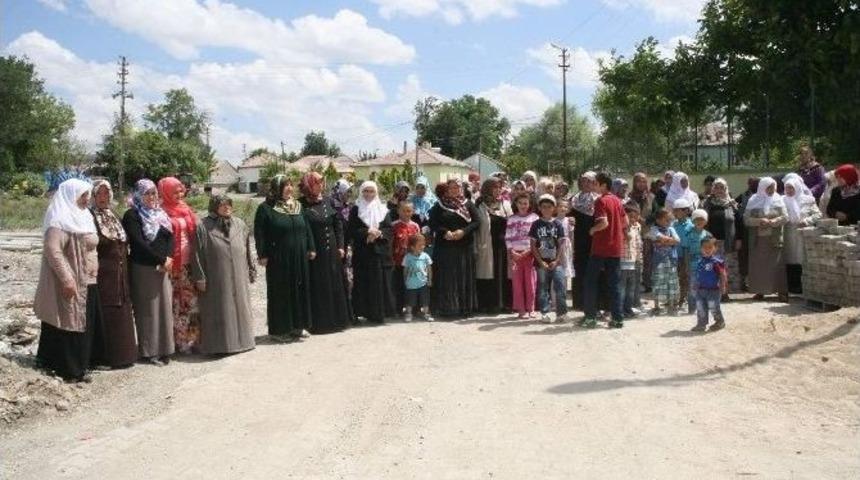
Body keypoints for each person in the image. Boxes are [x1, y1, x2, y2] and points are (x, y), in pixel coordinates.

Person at [34, 179, 100, 382]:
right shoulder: (60, 218)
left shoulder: (84, 216)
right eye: (83, 195)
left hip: (88, 278)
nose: (86, 199)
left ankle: (82, 364)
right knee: (70, 321)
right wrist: (67, 279)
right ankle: (70, 370)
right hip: (71, 279)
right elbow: (53, 251)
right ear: (71, 195)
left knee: (83, 320)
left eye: (88, 195)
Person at [192, 195, 256, 354]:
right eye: (222, 205)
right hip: (216, 276)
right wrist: (200, 277)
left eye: (229, 204)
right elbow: (197, 254)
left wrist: (251, 267)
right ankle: (220, 347)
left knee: (241, 306)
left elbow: (247, 247)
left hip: (239, 274)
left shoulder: (240, 224)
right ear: (214, 206)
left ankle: (244, 342)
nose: (227, 207)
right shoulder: (203, 226)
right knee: (219, 308)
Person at [255, 176, 315, 340]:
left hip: (299, 256)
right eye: (285, 185)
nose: (289, 188)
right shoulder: (266, 208)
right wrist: (262, 254)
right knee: (282, 292)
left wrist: (311, 247)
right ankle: (280, 330)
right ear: (276, 188)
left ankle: (298, 326)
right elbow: (260, 233)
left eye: (290, 185)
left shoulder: (298, 206)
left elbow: (306, 227)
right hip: (278, 258)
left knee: (300, 290)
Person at [123, 179, 175, 365]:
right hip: (143, 268)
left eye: (154, 193)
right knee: (148, 311)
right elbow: (138, 243)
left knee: (164, 308)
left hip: (163, 269)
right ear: (138, 194)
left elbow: (170, 237)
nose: (151, 197)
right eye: (147, 193)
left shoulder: (160, 213)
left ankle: (165, 348)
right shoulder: (132, 215)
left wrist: (168, 258)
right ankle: (149, 351)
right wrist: (161, 260)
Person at [89, 180, 137, 369]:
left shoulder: (114, 215)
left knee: (122, 311)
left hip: (121, 271)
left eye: (106, 194)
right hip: (103, 273)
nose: (103, 198)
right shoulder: (90, 216)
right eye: (99, 194)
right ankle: (105, 358)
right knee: (106, 311)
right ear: (93, 196)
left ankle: (125, 356)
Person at [300, 172, 354, 332]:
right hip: (314, 252)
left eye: (322, 182)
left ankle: (338, 321)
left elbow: (338, 224)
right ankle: (319, 324)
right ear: (309, 184)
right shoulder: (301, 205)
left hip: (332, 252)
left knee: (334, 284)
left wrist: (341, 246)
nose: (321, 185)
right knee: (318, 285)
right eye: (317, 182)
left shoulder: (328, 201)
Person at [157, 177, 199, 354]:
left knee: (191, 302)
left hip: (189, 264)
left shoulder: (185, 209)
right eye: (174, 192)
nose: (179, 195)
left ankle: (193, 340)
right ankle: (178, 341)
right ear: (165, 192)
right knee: (176, 303)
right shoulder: (160, 212)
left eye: (181, 191)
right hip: (173, 267)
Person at [428, 180, 480, 318]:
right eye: (451, 187)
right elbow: (432, 223)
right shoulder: (439, 205)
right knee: (447, 278)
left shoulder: (467, 203)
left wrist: (463, 232)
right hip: (445, 248)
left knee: (463, 277)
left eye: (457, 187)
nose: (454, 190)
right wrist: (445, 232)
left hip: (464, 247)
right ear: (447, 189)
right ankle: (447, 309)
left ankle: (464, 308)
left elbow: (476, 222)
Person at [582, 173, 627, 329]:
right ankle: (618, 319)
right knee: (614, 284)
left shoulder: (600, 200)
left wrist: (592, 230)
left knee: (590, 282)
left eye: (596, 183)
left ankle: (590, 318)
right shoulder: (617, 200)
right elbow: (625, 221)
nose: (593, 186)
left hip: (601, 248)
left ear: (603, 185)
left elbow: (604, 223)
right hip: (615, 248)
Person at [348, 181, 396, 324]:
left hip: (380, 252)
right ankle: (362, 312)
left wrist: (379, 233)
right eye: (366, 191)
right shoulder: (356, 209)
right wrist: (367, 232)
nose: (368, 194)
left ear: (376, 193)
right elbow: (351, 229)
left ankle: (378, 314)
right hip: (364, 253)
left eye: (371, 191)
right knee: (363, 282)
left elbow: (389, 229)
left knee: (380, 284)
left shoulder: (383, 209)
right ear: (361, 192)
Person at [743, 177, 789, 302]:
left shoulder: (778, 199)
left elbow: (785, 217)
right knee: (759, 267)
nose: (772, 190)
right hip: (758, 240)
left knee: (777, 266)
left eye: (773, 187)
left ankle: (781, 291)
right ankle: (760, 291)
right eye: (769, 187)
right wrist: (759, 221)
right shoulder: (753, 200)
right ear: (762, 187)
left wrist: (773, 221)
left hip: (774, 239)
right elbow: (746, 219)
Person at [475, 178, 513, 314]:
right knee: (488, 275)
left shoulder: (506, 204)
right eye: (494, 187)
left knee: (504, 274)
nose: (498, 190)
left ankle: (504, 304)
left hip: (503, 246)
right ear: (487, 188)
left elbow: (512, 223)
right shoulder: (480, 205)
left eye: (499, 187)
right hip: (487, 245)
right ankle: (489, 305)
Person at [530, 195, 567, 324]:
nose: (546, 209)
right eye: (544, 207)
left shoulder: (558, 224)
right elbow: (533, 245)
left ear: (554, 208)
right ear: (539, 208)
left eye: (549, 207)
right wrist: (540, 261)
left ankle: (561, 312)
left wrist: (557, 260)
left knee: (560, 286)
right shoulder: (535, 225)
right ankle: (545, 312)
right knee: (542, 288)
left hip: (556, 262)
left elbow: (561, 244)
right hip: (541, 262)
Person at [783, 177, 822, 294]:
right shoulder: (782, 200)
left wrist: (807, 221)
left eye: (791, 188)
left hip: (802, 233)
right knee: (789, 258)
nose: (789, 190)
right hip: (787, 233)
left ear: (797, 187)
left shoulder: (808, 200)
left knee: (801, 258)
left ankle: (801, 286)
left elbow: (818, 214)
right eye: (787, 188)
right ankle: (790, 286)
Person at [702, 178, 738, 299]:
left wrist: (739, 239)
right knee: (712, 267)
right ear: (713, 189)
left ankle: (725, 293)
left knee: (726, 268)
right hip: (711, 242)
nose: (719, 190)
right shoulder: (706, 203)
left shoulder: (732, 204)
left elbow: (738, 222)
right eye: (716, 187)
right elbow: (700, 221)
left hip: (727, 241)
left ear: (726, 189)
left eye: (721, 187)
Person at [505, 192, 539, 319]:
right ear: (516, 204)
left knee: (531, 283)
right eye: (520, 203)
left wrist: (529, 250)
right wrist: (511, 251)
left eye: (525, 203)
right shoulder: (511, 219)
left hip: (530, 254)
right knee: (517, 284)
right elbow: (507, 237)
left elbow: (536, 238)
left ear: (529, 204)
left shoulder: (534, 217)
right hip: (515, 255)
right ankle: (521, 309)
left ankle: (531, 308)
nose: (523, 205)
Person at [570, 171, 599, 309]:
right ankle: (579, 302)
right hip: (578, 240)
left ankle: (593, 302)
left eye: (589, 181)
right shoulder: (574, 199)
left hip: (594, 239)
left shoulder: (598, 200)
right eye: (583, 181)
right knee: (579, 270)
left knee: (593, 271)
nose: (586, 183)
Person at [646, 209, 681, 315]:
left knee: (672, 282)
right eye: (667, 220)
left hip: (671, 259)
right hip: (659, 261)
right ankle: (657, 306)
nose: (669, 222)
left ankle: (671, 305)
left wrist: (662, 242)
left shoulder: (671, 228)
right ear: (658, 220)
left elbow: (678, 240)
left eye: (670, 220)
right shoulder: (654, 229)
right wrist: (669, 241)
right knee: (658, 281)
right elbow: (659, 237)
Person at [691, 238, 728, 332]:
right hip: (701, 289)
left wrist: (723, 286)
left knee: (713, 306)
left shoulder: (716, 261)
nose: (707, 249)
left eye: (710, 247)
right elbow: (698, 274)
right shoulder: (700, 261)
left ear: (715, 248)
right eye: (704, 247)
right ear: (700, 248)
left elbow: (723, 274)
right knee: (700, 307)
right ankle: (701, 324)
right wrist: (695, 284)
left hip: (714, 290)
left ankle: (720, 322)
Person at [391, 201, 420, 316]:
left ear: (412, 212)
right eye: (403, 210)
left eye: (409, 211)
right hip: (399, 262)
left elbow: (419, 243)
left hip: (412, 263)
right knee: (399, 286)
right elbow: (391, 244)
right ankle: (398, 309)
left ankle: (414, 309)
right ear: (398, 211)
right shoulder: (394, 225)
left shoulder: (415, 226)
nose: (406, 213)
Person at [683, 209, 714, 314]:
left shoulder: (708, 235)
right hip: (693, 264)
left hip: (705, 264)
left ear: (706, 221)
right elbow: (686, 250)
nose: (699, 222)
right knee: (693, 286)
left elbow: (712, 251)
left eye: (702, 219)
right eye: (697, 219)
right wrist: (687, 265)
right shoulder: (689, 234)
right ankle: (692, 308)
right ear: (693, 221)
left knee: (705, 286)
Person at [629, 173, 654, 292]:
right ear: (634, 182)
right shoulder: (629, 197)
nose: (642, 184)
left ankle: (647, 283)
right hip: (632, 232)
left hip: (647, 232)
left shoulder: (651, 197)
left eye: (644, 181)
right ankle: (634, 284)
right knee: (634, 258)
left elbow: (657, 213)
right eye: (639, 181)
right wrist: (636, 219)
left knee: (648, 259)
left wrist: (645, 221)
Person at [734, 177, 760, 292]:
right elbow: (735, 207)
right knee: (744, 256)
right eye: (750, 183)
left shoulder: (762, 196)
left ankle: (756, 282)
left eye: (754, 183)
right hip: (744, 230)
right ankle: (743, 282)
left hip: (758, 229)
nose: (752, 185)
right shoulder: (743, 195)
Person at [402, 234, 434, 322]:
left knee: (425, 300)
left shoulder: (425, 256)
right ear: (412, 247)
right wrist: (405, 280)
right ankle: (408, 314)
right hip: (411, 284)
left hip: (423, 283)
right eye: (419, 245)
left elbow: (429, 269)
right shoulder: (408, 257)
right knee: (410, 301)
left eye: (423, 245)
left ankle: (426, 314)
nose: (422, 247)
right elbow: (405, 270)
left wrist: (430, 280)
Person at [619, 203, 643, 317]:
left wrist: (639, 259)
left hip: (633, 262)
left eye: (635, 216)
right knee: (622, 287)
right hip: (622, 262)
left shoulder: (637, 227)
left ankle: (628, 308)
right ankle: (620, 309)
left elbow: (638, 244)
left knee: (630, 288)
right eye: (630, 216)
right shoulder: (621, 228)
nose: (633, 219)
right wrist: (625, 230)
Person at [671, 198, 694, 310]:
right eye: (674, 210)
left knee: (685, 276)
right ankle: (675, 298)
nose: (675, 213)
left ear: (686, 211)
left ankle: (683, 298)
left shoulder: (691, 224)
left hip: (686, 255)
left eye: (678, 210)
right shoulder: (673, 224)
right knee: (675, 277)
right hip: (675, 254)